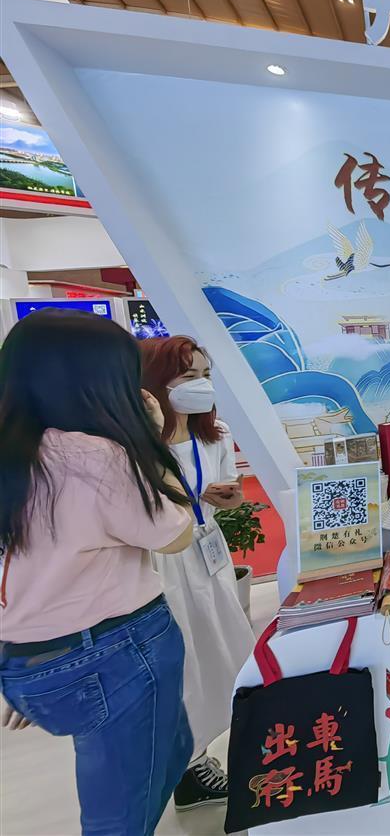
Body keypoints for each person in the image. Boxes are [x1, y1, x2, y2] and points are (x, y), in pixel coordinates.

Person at [0, 310, 195, 835]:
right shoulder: (91, 457)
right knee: (122, 813)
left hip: (32, 655)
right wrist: (148, 440)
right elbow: (175, 533)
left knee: (168, 750)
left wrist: (33, 663)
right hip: (112, 648)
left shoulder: (18, 453)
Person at [141, 336, 256, 811]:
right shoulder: (136, 443)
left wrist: (230, 498)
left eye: (205, 375)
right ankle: (188, 766)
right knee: (181, 662)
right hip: (163, 561)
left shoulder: (215, 433)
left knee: (224, 650)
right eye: (188, 376)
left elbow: (225, 490)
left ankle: (208, 752)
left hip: (209, 551)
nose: (201, 385)